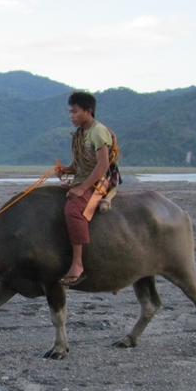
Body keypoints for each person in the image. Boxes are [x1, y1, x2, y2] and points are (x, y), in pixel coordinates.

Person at [58, 91, 119, 286]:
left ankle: (78, 263)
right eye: (69, 112)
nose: (71, 116)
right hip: (84, 178)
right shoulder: (80, 133)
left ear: (88, 111)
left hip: (100, 181)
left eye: (75, 111)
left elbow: (102, 166)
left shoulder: (98, 132)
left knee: (74, 209)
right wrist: (66, 169)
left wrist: (82, 188)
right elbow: (80, 165)